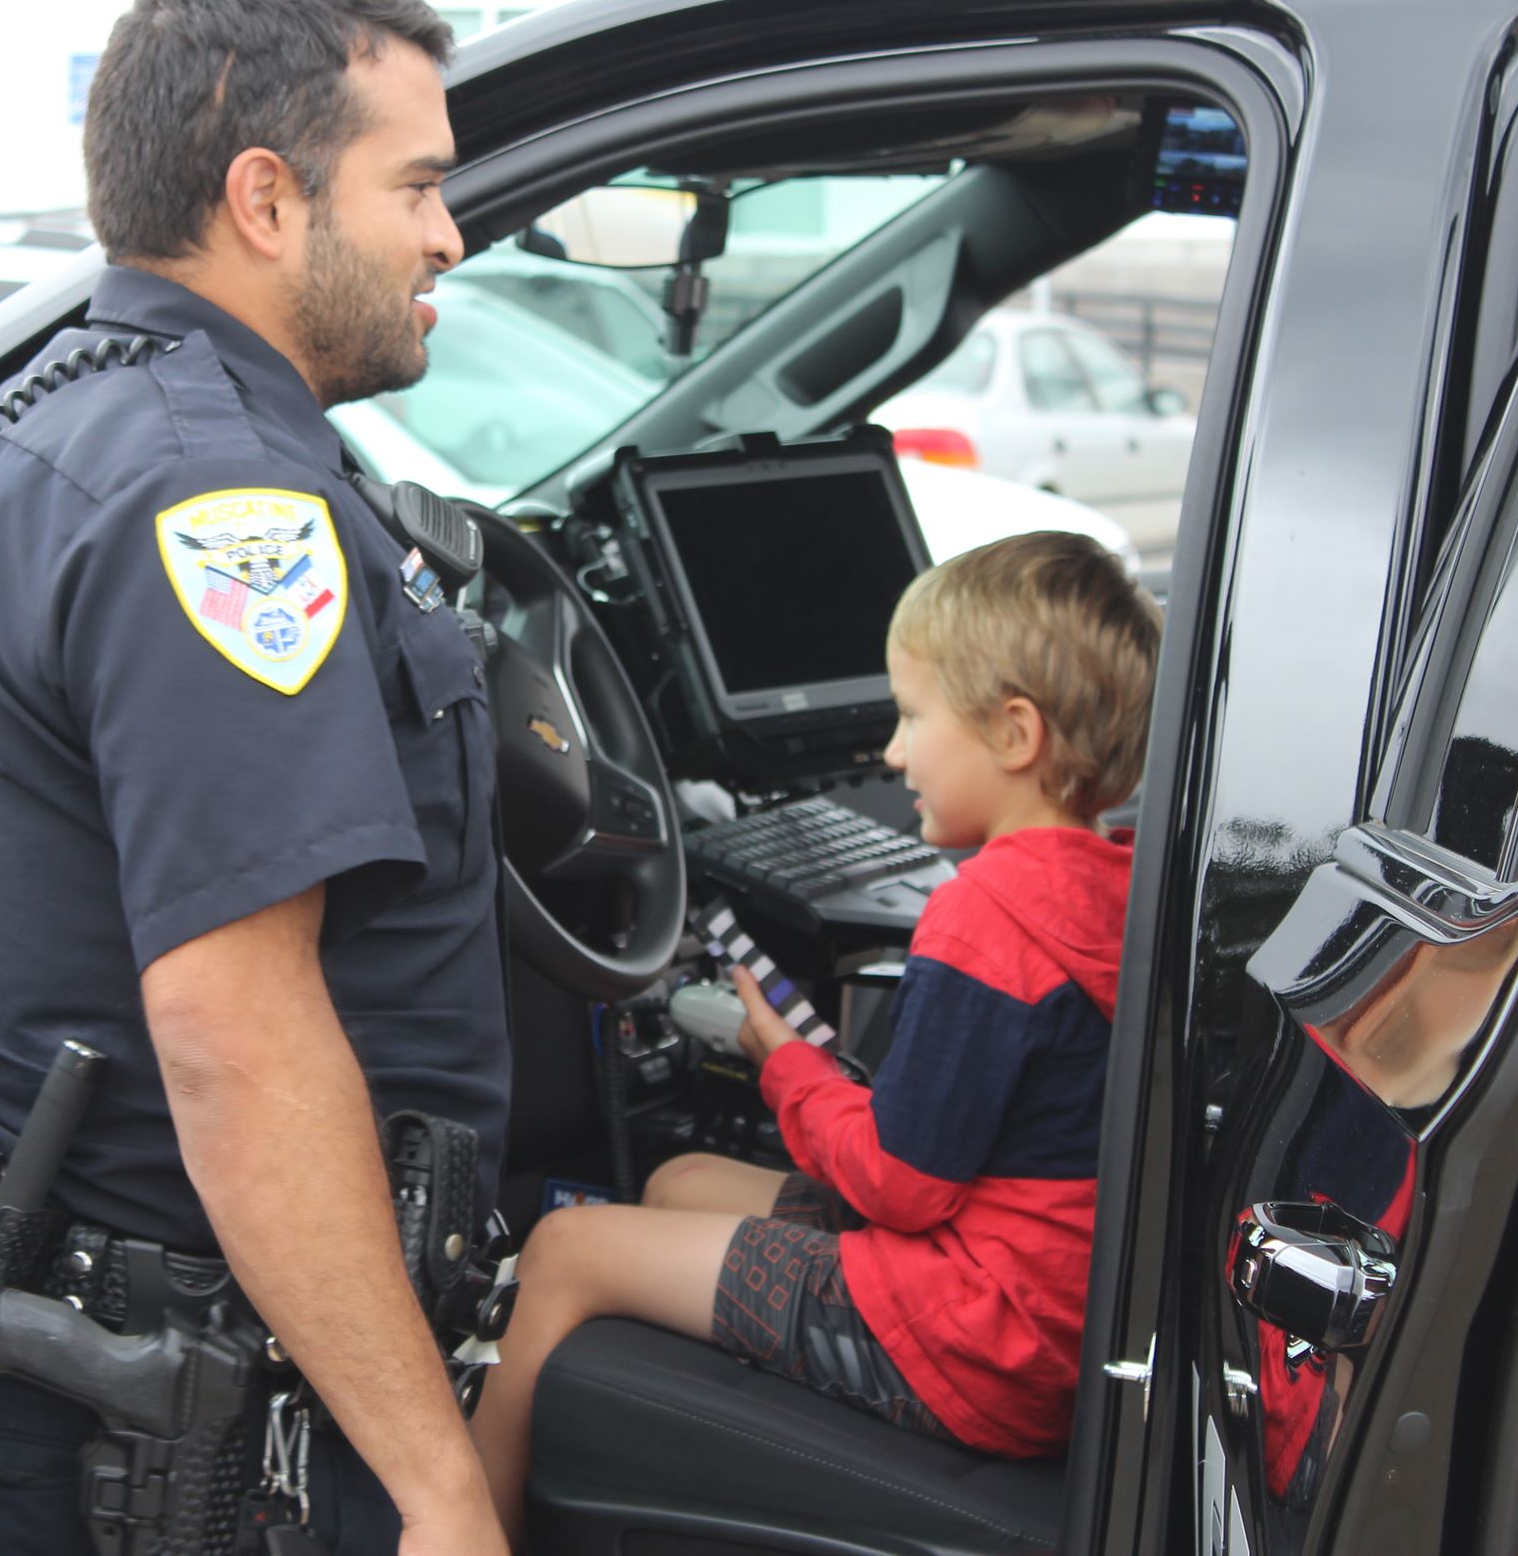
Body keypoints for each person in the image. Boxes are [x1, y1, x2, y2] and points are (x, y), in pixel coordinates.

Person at [0, 0, 509, 1556]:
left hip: (95, 1382)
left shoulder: (58, 422)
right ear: (266, 199)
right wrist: (439, 1487)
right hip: (169, 1437)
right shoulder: (216, 507)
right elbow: (238, 1042)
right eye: (417, 185)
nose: (450, 232)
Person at [469, 530, 1161, 1542]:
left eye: (912, 715)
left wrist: (785, 1067)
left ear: (1015, 733)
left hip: (972, 1342)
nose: (892, 752)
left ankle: (463, 1527)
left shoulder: (986, 913)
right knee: (680, 1180)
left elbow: (899, 1184)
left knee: (564, 1248)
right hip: (1049, 1318)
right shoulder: (1118, 889)